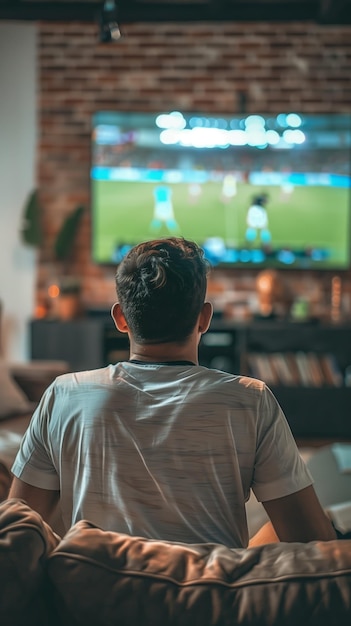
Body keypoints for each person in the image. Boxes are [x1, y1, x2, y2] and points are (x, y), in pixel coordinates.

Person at [9, 237, 336, 547]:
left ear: (120, 318)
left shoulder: (63, 395)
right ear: (205, 318)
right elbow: (312, 541)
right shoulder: (251, 400)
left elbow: (17, 532)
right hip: (210, 597)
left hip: (92, 596)